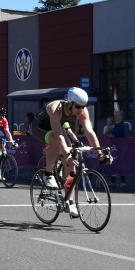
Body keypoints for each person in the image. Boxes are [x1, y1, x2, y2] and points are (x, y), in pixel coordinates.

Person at [32, 87, 112, 218]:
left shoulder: (82, 112)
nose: (81, 110)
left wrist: (99, 153)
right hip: (40, 126)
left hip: (60, 130)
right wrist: (67, 154)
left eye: (84, 106)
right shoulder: (55, 109)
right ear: (70, 103)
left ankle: (70, 201)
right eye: (79, 107)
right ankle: (48, 174)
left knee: (72, 165)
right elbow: (59, 136)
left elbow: (89, 132)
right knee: (54, 140)